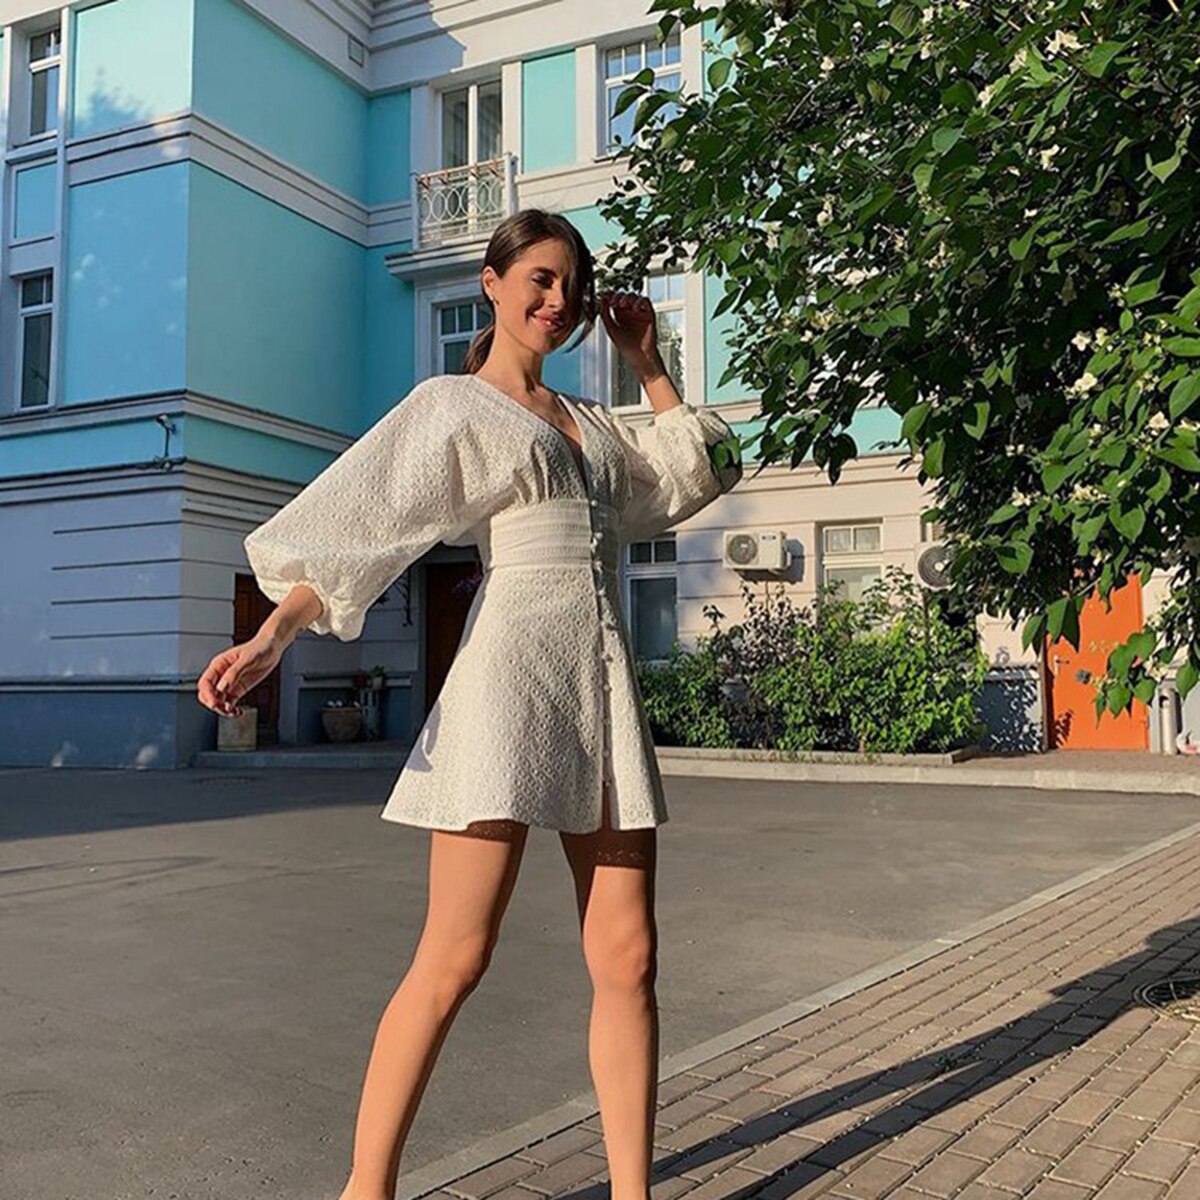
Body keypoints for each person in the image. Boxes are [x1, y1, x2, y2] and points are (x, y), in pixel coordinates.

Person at [196, 208, 743, 1200]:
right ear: (491, 283)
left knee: (630, 958)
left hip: (599, 685)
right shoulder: (453, 406)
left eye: (572, 286)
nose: (558, 300)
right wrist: (273, 637)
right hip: (508, 685)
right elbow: (364, 528)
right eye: (540, 278)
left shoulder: (592, 424)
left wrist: (648, 362)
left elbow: (696, 473)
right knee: (455, 955)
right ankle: (366, 1189)